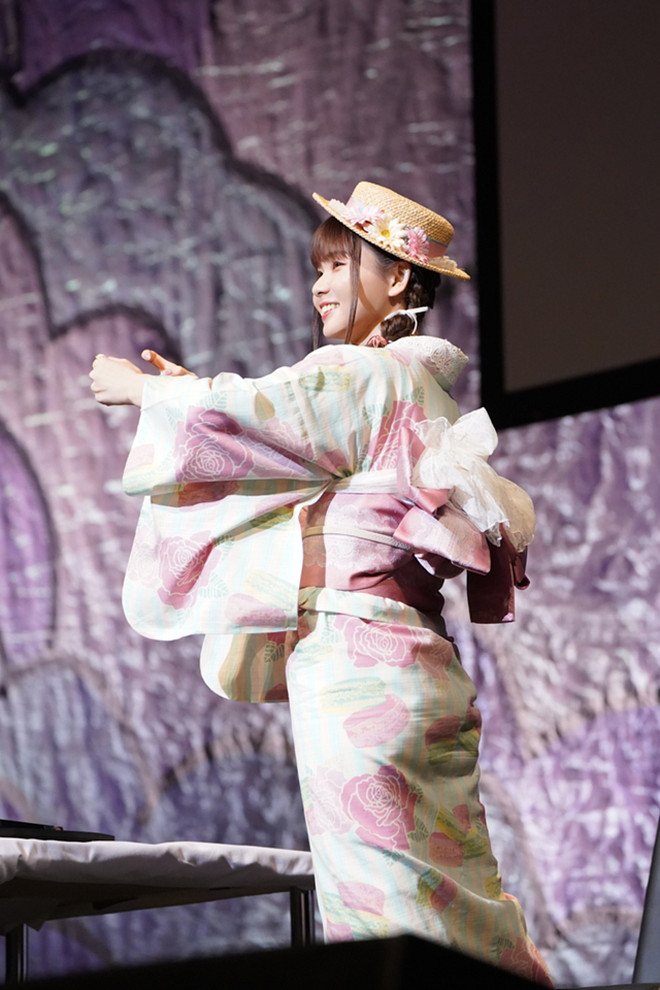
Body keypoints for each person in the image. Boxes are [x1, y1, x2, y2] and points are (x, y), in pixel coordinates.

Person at [90, 181, 552, 984]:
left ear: (397, 279)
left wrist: (147, 392)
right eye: (319, 267)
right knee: (453, 893)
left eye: (341, 265)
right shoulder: (424, 391)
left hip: (354, 666)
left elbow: (259, 411)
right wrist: (194, 393)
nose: (320, 283)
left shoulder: (362, 374)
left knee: (380, 913)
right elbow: (282, 428)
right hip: (419, 667)